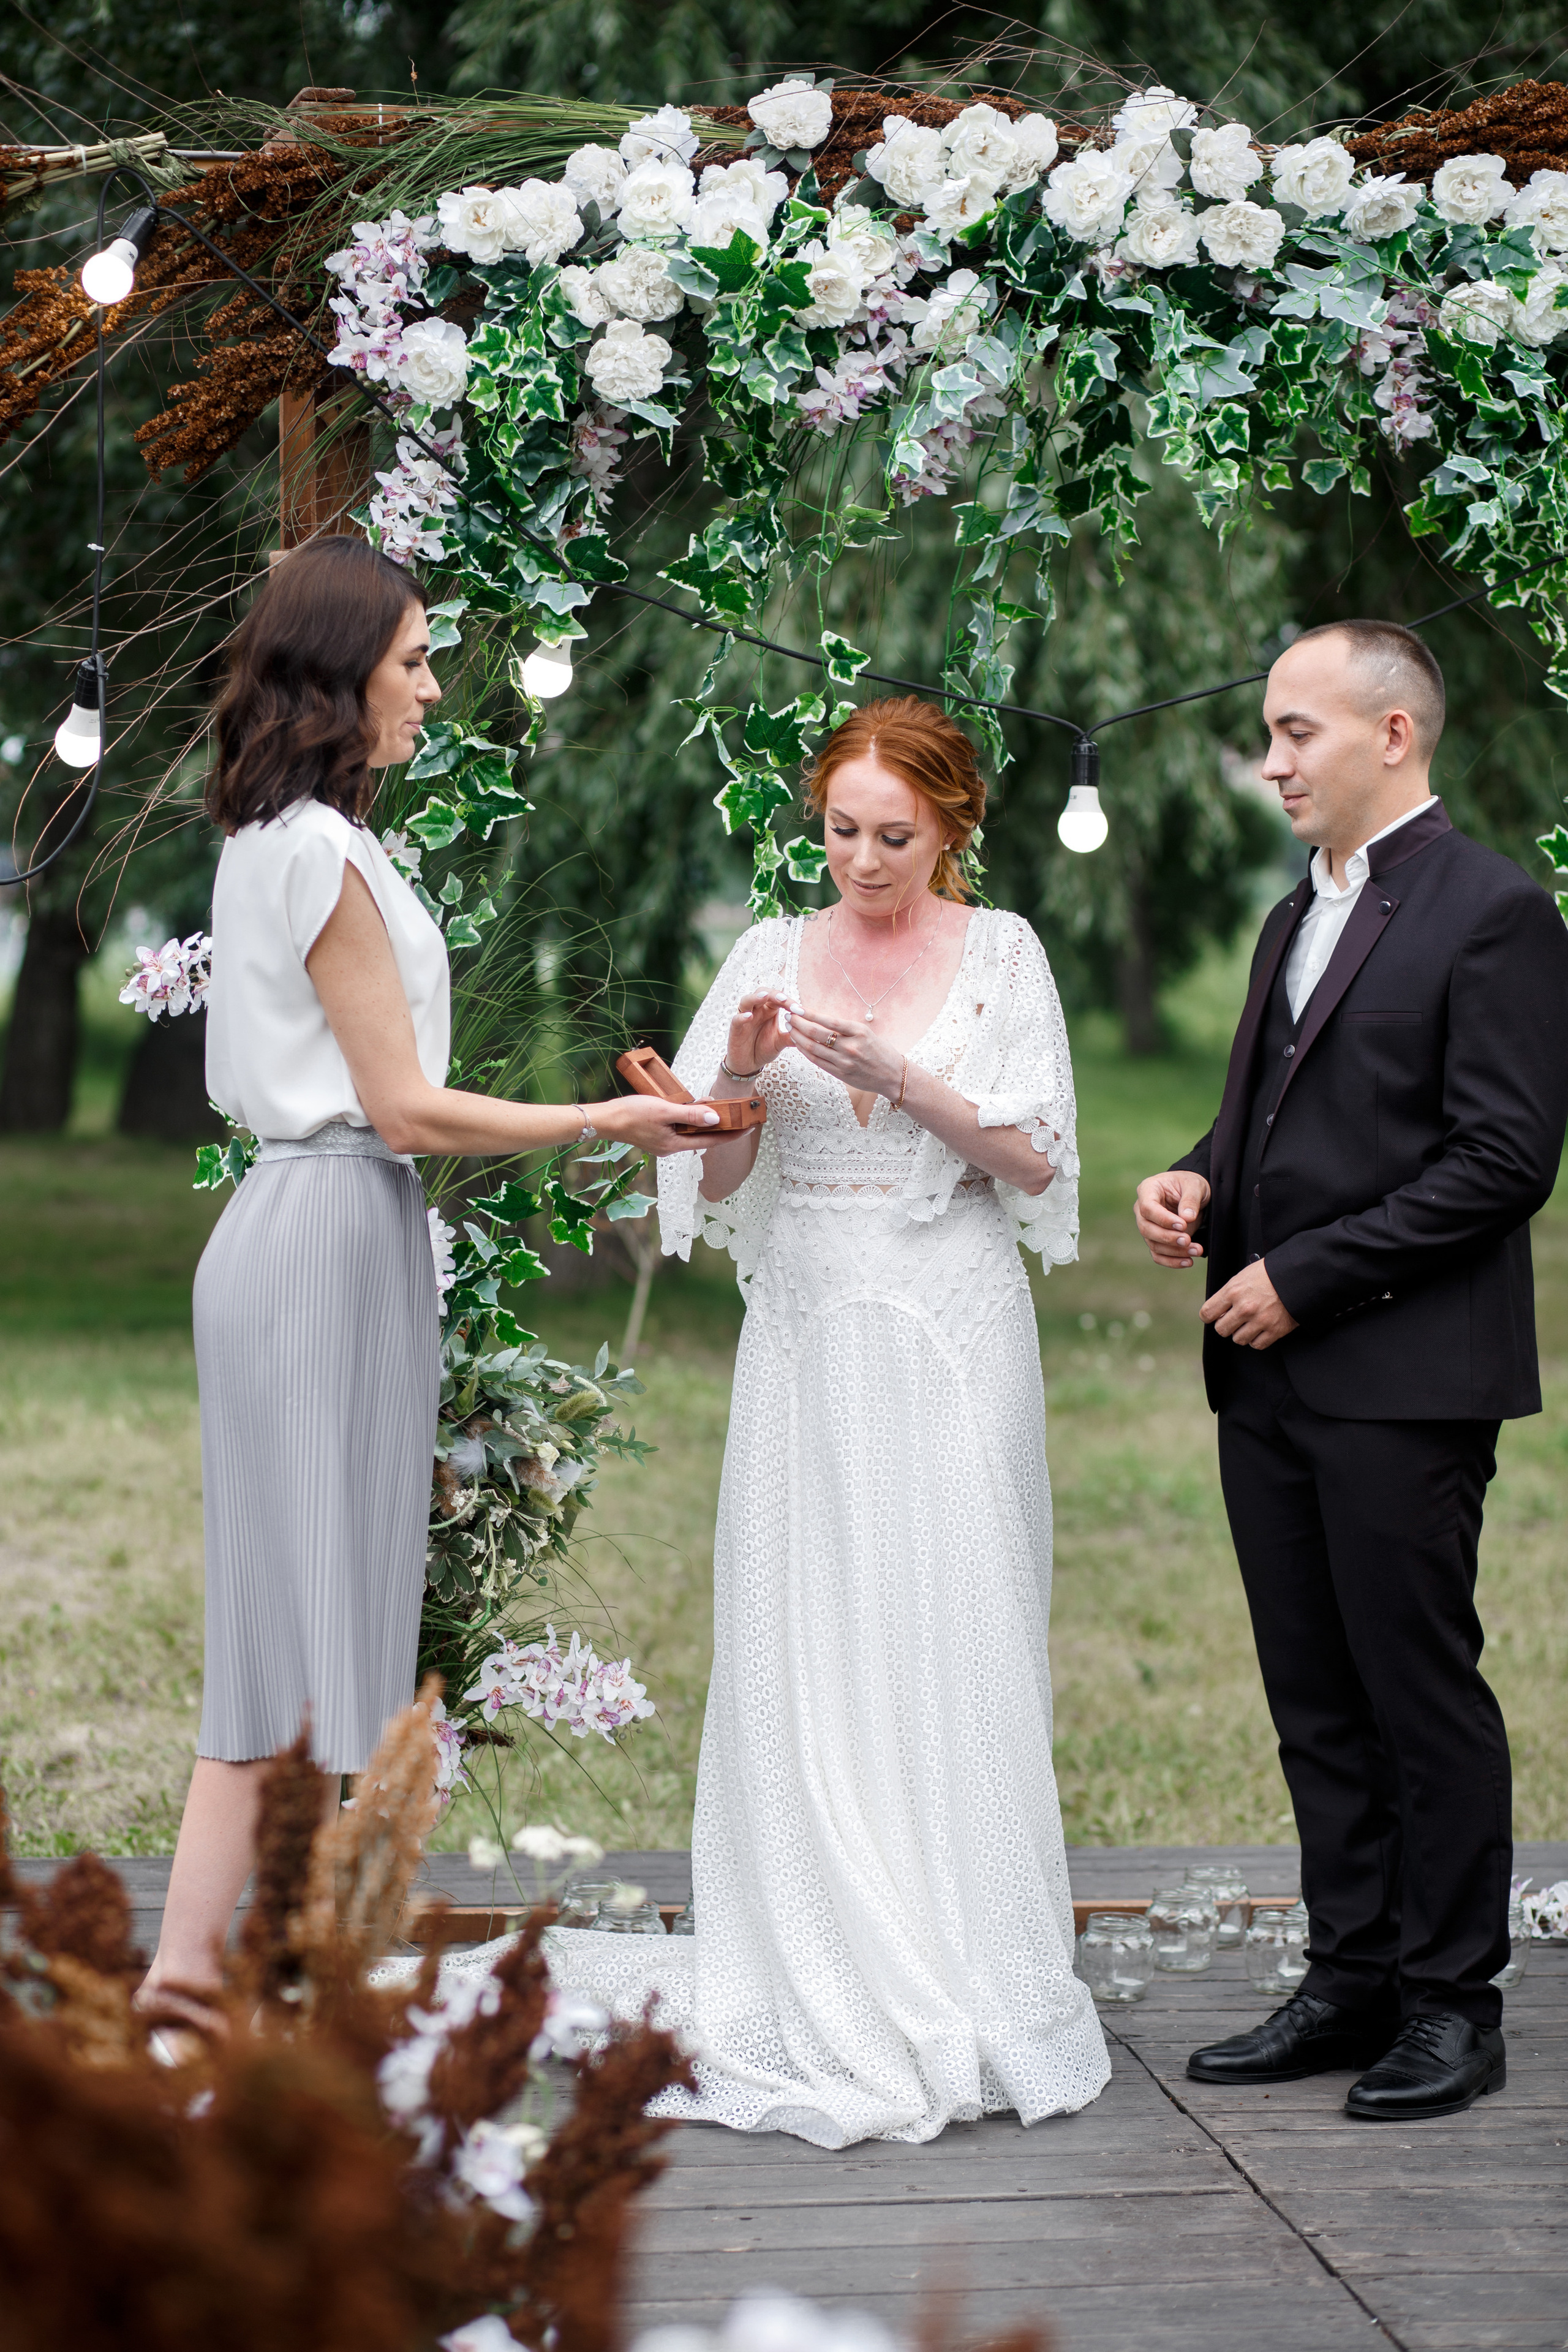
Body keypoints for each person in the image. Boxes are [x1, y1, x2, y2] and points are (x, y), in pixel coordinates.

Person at [137, 537, 709, 2034]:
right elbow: (402, 1108)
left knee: (289, 1640)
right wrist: (601, 1120)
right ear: (339, 676)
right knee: (310, 1648)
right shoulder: (317, 850)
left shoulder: (287, 834)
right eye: (412, 662)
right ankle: (272, 1984)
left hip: (323, 1229)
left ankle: (197, 1986)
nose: (434, 687)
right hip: (327, 1228)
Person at [541, 695, 1109, 2146]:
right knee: (807, 1627)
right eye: (842, 831)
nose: (863, 859)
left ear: (950, 828)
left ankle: (965, 1961)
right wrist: (732, 1077)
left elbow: (1037, 1162)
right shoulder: (764, 955)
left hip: (949, 1327)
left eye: (894, 836)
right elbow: (711, 1187)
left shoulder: (1005, 956)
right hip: (804, 1338)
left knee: (952, 1621)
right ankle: (812, 1958)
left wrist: (902, 1080)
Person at [1134, 620, 1568, 2122]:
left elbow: (1505, 1159)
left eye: (1295, 733)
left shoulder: (1494, 911)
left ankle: (1453, 2006)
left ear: (1393, 734)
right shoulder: (1285, 918)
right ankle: (1349, 1975)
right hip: (1263, 1385)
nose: (1268, 763)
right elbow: (1276, 1111)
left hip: (1399, 1373)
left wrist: (1304, 1278)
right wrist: (1193, 1178)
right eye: (1266, 733)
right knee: (1312, 1696)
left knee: (1413, 1691)